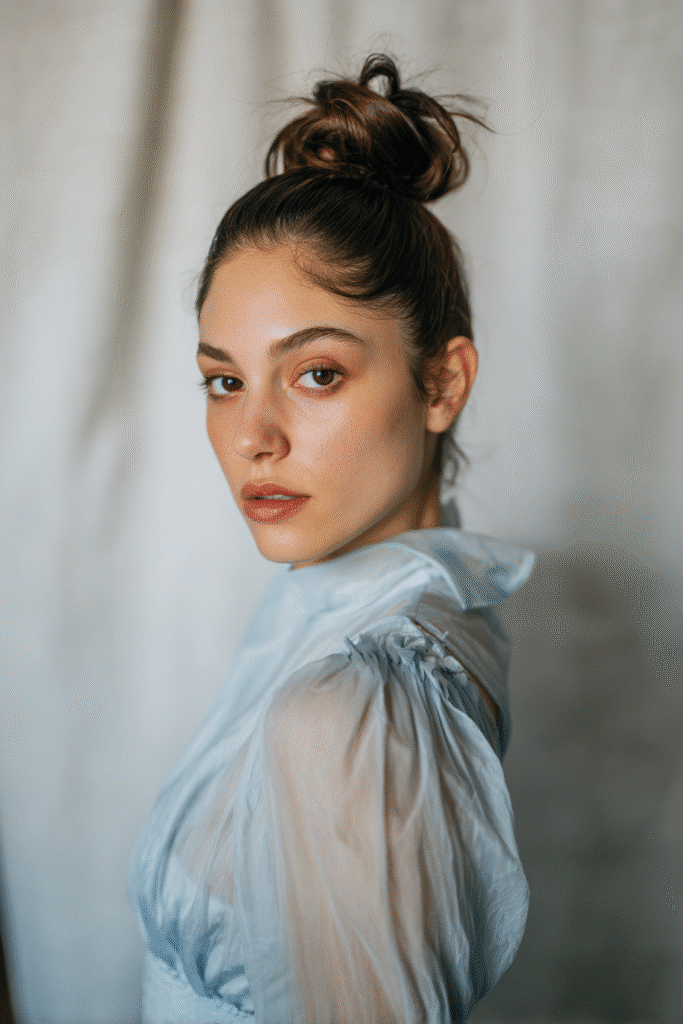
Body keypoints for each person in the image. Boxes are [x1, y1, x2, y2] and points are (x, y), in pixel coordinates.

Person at [129, 53, 534, 1024]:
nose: (251, 436)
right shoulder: (395, 615)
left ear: (441, 383)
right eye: (224, 380)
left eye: (314, 374)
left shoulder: (345, 708)